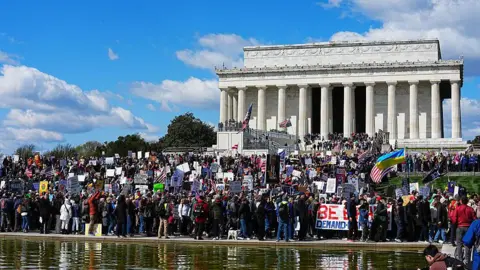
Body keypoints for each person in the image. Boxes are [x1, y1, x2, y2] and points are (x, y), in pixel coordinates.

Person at [452, 196, 476, 266]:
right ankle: (467, 260)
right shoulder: (471, 209)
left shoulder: (458, 208)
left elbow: (454, 219)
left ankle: (460, 260)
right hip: (468, 228)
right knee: (467, 244)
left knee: (459, 244)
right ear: (467, 201)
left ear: (461, 201)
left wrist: (455, 224)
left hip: (460, 227)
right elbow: (474, 219)